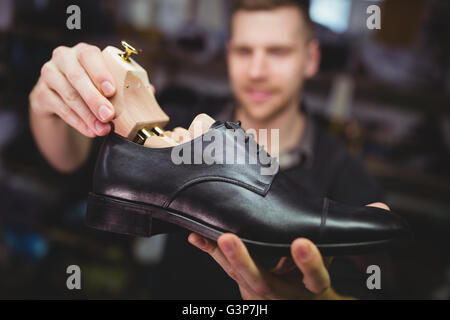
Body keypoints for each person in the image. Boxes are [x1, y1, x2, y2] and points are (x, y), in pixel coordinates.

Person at [28, 0, 392, 299]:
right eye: (246, 51)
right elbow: (71, 160)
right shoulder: (181, 122)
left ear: (310, 58)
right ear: (229, 53)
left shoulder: (346, 174)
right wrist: (50, 103)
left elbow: (373, 288)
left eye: (278, 52)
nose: (258, 70)